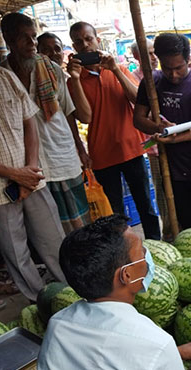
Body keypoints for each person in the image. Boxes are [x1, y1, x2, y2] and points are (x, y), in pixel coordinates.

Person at [35, 214, 191, 370]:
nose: (148, 256)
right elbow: (140, 352)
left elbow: (102, 366)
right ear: (126, 275)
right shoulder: (154, 342)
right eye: (141, 252)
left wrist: (177, 353)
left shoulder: (58, 324)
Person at [0, 17, 67, 301]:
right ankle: (41, 302)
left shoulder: (4, 76)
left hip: (32, 177)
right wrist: (14, 174)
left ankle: (72, 292)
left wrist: (29, 167)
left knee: (53, 239)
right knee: (16, 251)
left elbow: (30, 122)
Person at [68, 21, 161, 240]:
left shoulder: (117, 69)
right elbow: (85, 117)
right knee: (115, 214)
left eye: (89, 39)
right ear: (74, 47)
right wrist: (74, 78)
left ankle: (156, 246)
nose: (85, 45)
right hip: (102, 155)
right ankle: (125, 253)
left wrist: (116, 70)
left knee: (145, 205)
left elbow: (137, 99)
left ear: (97, 40)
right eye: (79, 42)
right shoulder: (75, 81)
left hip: (132, 148)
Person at [0, 13, 92, 234]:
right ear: (9, 40)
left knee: (80, 223)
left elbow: (68, 113)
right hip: (29, 164)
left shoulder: (51, 70)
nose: (32, 44)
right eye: (25, 38)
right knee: (47, 228)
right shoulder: (1, 75)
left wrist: (80, 148)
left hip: (62, 154)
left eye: (33, 37)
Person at [134, 34, 191, 236]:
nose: (173, 75)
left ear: (188, 59)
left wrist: (173, 134)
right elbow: (138, 119)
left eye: (179, 68)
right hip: (171, 168)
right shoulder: (151, 82)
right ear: (157, 60)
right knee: (188, 226)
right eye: (167, 69)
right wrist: (159, 128)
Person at [130, 39, 173, 242]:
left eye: (155, 52)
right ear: (137, 57)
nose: (154, 57)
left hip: (178, 145)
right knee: (163, 197)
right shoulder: (139, 78)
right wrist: (159, 127)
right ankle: (169, 235)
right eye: (148, 53)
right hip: (155, 148)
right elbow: (138, 116)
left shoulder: (166, 76)